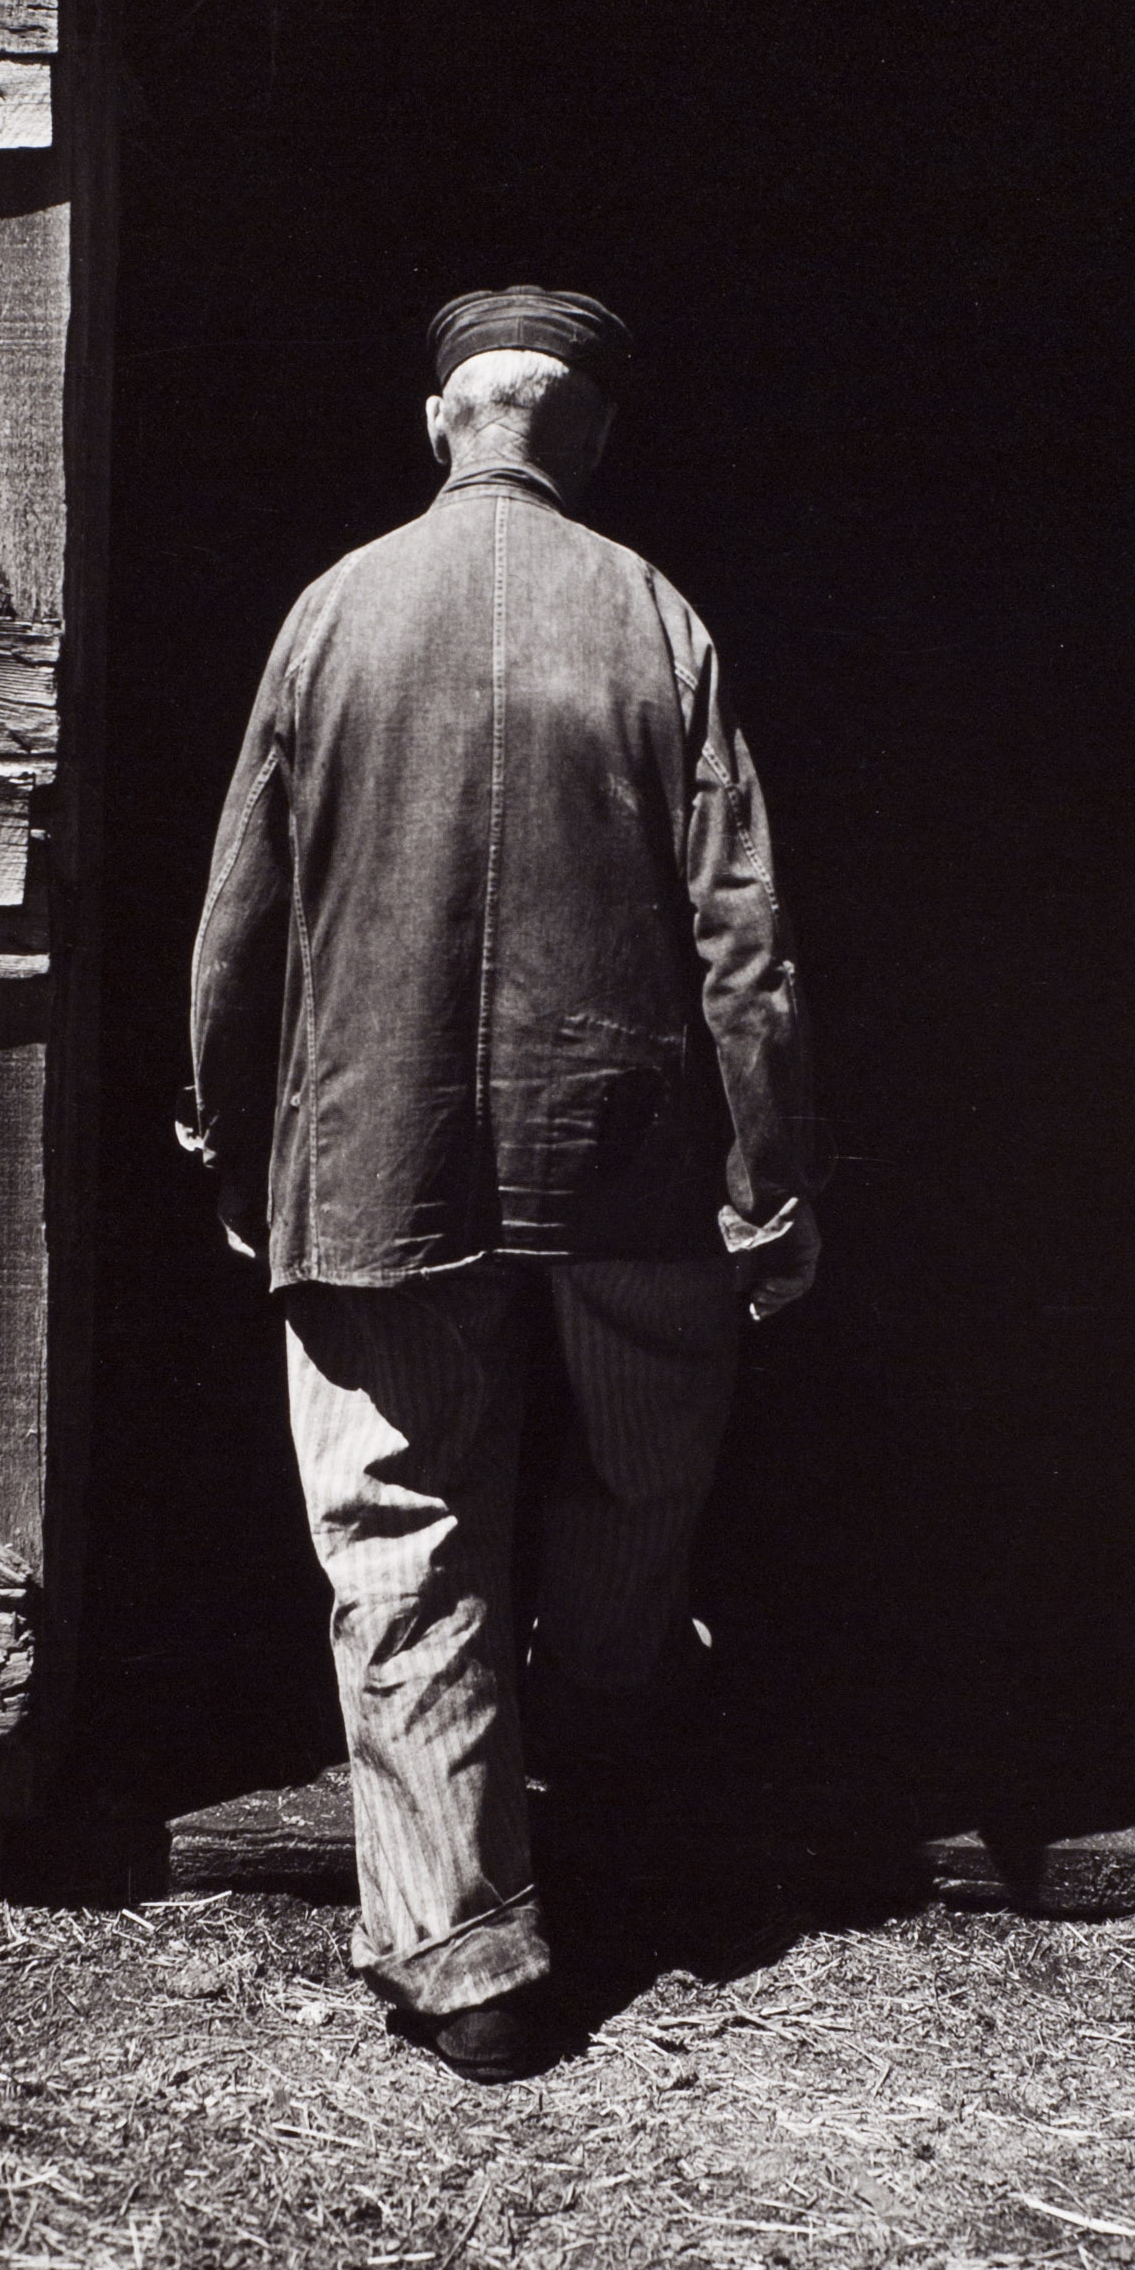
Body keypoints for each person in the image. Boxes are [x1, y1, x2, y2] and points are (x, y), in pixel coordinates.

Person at [183, 288, 821, 2084]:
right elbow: (742, 934)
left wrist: (236, 1137)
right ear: (586, 436)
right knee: (646, 1449)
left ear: (440, 422)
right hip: (616, 1155)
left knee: (399, 1521)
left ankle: (465, 1949)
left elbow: (240, 916)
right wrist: (768, 1176)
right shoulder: (653, 615)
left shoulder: (328, 615)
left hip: (369, 1150)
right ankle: (611, 1720)